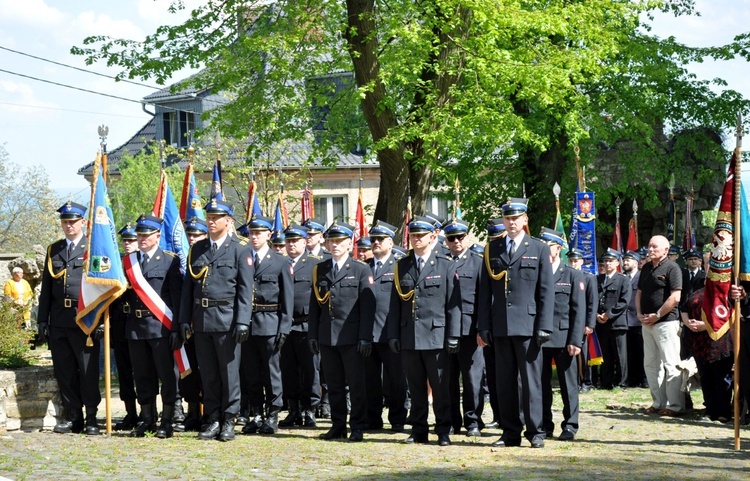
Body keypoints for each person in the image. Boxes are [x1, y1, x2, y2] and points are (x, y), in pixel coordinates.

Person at [477, 197, 554, 449]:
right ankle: (510, 431)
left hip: (529, 325)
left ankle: (535, 431)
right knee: (504, 381)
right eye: (507, 218)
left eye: (515, 218)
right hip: (500, 326)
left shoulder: (539, 248)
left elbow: (546, 291)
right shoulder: (492, 249)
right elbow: (485, 290)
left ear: (525, 220)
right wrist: (484, 325)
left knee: (531, 381)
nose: (511, 222)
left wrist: (544, 325)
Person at [179, 199, 254, 441]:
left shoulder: (240, 248)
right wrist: (183, 320)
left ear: (228, 221)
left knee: (229, 373)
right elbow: (188, 290)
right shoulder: (197, 249)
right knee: (208, 373)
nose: (211, 221)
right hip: (201, 320)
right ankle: (212, 418)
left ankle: (229, 420)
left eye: (216, 217)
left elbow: (245, 289)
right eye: (209, 217)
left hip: (228, 320)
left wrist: (243, 321)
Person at [388, 215, 461, 447]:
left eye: (421, 235)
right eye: (413, 235)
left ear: (432, 237)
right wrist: (394, 334)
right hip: (410, 335)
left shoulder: (445, 265)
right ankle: (419, 429)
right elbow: (395, 305)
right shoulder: (402, 266)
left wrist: (453, 335)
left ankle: (443, 430)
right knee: (416, 387)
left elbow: (453, 305)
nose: (417, 239)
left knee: (440, 387)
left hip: (436, 335)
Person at [37, 201, 101, 435]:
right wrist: (42, 320)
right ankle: (75, 416)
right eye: (65, 222)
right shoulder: (54, 250)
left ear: (82, 223)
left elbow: (103, 288)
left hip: (84, 320)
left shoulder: (93, 247)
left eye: (73, 222)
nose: (69, 226)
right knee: (64, 371)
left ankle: (92, 416)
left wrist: (100, 321)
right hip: (59, 320)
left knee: (87, 371)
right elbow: (46, 289)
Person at [308, 221, 375, 442]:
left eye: (340, 241)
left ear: (349, 243)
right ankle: (338, 425)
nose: (335, 245)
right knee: (334, 384)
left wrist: (365, 337)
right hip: (328, 336)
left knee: (356, 385)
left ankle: (357, 425)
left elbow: (367, 308)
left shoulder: (360, 269)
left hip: (352, 338)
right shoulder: (321, 269)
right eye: (332, 241)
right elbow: (315, 306)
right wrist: (313, 335)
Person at [121, 214, 183, 438]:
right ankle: (147, 419)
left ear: (157, 236)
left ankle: (166, 421)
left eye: (146, 235)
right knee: (143, 376)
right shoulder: (128, 261)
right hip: (135, 327)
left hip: (160, 326)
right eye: (139, 235)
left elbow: (176, 298)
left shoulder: (170, 260)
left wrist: (176, 328)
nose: (142, 238)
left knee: (167, 376)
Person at [240, 214, 294, 436]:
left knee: (271, 372)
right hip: (247, 323)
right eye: (252, 233)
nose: (254, 236)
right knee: (250, 372)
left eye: (259, 233)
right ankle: (255, 413)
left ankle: (272, 414)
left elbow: (287, 299)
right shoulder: (242, 258)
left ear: (269, 235)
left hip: (270, 322)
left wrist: (284, 328)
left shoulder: (280, 261)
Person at [538, 228, 585, 441]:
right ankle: (545, 424)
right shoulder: (536, 273)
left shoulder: (572, 275)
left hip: (564, 338)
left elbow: (578, 310)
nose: (546, 251)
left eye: (549, 246)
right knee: (541, 385)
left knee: (568, 386)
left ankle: (570, 425)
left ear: (558, 248)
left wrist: (575, 340)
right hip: (539, 339)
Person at [364, 220, 408, 432]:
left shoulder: (399, 266)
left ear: (391, 243)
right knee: (370, 380)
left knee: (396, 379)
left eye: (380, 239)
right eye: (373, 239)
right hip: (368, 333)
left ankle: (398, 418)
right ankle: (373, 418)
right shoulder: (365, 267)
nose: (376, 243)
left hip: (391, 332)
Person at [443, 218, 485, 438]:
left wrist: (482, 328)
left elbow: (483, 299)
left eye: (460, 237)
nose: (457, 241)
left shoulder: (478, 263)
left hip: (470, 331)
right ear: (446, 241)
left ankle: (473, 421)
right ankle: (451, 421)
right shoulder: (440, 262)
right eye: (452, 238)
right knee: (448, 379)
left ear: (467, 237)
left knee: (472, 379)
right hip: (445, 330)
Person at [279, 224, 322, 428]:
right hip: (286, 326)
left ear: (305, 242)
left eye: (296, 241)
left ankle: (310, 410)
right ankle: (293, 409)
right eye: (288, 241)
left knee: (310, 370)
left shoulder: (315, 264)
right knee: (288, 370)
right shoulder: (279, 263)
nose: (291, 244)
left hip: (306, 326)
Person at [636, 235, 684, 416]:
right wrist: (639, 313)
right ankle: (658, 402)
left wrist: (657, 315)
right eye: (649, 246)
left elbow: (675, 297)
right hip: (646, 323)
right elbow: (639, 293)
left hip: (666, 323)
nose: (650, 250)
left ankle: (674, 406)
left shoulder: (673, 268)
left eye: (654, 247)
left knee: (671, 364)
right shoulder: (647, 268)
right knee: (650, 364)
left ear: (665, 250)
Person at [175, 216, 208, 432]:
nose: (193, 238)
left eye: (197, 235)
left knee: (208, 370)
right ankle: (192, 411)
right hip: (190, 323)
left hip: (209, 322)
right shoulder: (185, 256)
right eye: (190, 235)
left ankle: (209, 412)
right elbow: (185, 293)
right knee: (189, 370)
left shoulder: (207, 255)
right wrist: (184, 320)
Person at [681, 287, 733, 422]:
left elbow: (730, 315)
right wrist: (688, 323)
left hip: (720, 341)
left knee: (721, 378)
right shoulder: (696, 291)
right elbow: (684, 309)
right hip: (699, 341)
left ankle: (723, 412)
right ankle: (709, 410)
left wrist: (706, 325)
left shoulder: (726, 292)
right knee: (706, 377)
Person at [108, 223, 140, 431]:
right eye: (125, 240)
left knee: (145, 372)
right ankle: (130, 412)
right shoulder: (118, 263)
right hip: (120, 325)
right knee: (125, 373)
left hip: (140, 323)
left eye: (132, 240)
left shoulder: (142, 263)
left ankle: (150, 412)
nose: (128, 244)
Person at [480, 219, 506, 428]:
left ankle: (519, 415)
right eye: (493, 239)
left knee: (515, 376)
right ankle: (499, 415)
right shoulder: (487, 256)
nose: (496, 242)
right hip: (492, 325)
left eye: (499, 238)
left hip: (512, 325)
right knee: (495, 374)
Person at [596, 248, 631, 390]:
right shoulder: (598, 279)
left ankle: (622, 382)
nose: (608, 264)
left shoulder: (623, 279)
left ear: (617, 262)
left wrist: (608, 315)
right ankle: (606, 382)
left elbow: (624, 301)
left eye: (611, 261)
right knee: (605, 354)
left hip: (617, 322)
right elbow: (594, 299)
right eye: (606, 261)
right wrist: (597, 315)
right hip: (601, 322)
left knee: (620, 354)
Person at [565, 248, 597, 394]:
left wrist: (590, 324)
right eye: (571, 260)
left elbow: (592, 302)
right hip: (566, 321)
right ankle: (574, 381)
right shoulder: (564, 275)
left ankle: (586, 381)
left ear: (582, 261)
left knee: (583, 354)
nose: (573, 263)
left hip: (582, 322)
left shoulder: (588, 278)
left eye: (576, 260)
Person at [622, 250, 647, 388]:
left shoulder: (642, 277)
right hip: (625, 320)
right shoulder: (622, 277)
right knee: (629, 352)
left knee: (642, 351)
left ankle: (644, 379)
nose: (625, 262)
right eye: (624, 260)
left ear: (636, 263)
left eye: (628, 260)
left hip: (639, 319)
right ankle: (631, 379)